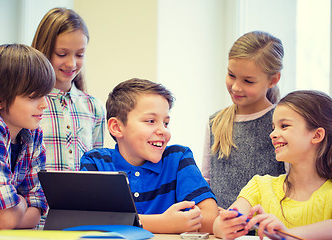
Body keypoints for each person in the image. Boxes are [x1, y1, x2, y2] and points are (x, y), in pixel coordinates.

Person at [80, 78, 219, 234]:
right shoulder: (96, 162)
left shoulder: (178, 159)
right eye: (151, 121)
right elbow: (86, 220)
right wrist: (162, 223)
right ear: (117, 127)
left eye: (166, 123)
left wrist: (124, 221)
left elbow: (210, 218)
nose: (163, 131)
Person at [213, 90, 332, 240]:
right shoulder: (260, 185)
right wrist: (223, 226)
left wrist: (286, 235)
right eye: (273, 127)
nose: (273, 134)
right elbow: (219, 224)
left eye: (284, 126)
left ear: (316, 135)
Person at [0, 44, 55, 231]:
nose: (44, 104)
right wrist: (23, 204)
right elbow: (7, 220)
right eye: (33, 96)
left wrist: (1, 214)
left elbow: (37, 211)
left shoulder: (33, 133)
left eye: (45, 95)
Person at [201, 31, 286, 209]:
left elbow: (292, 180)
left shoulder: (282, 122)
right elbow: (206, 180)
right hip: (222, 230)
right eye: (231, 75)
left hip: (266, 230)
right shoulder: (216, 122)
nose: (236, 87)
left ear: (273, 80)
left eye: (248, 81)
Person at [31, 7, 105, 171]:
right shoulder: (27, 104)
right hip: (36, 197)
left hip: (82, 197)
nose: (72, 63)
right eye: (61, 54)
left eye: (79, 55)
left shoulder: (94, 107)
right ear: (44, 50)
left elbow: (97, 169)